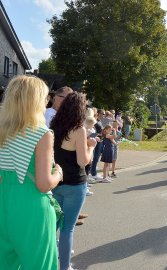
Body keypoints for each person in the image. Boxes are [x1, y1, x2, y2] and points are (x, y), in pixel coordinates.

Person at [0, 75, 62, 270]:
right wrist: (59, 173)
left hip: (3, 202)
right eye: (44, 97)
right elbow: (43, 184)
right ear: (34, 101)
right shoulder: (41, 133)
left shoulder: (2, 131)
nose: (48, 101)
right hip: (31, 207)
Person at [50, 92, 97, 270]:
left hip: (57, 182)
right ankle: (65, 267)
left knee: (53, 226)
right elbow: (82, 161)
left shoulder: (55, 125)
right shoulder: (79, 129)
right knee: (67, 229)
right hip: (75, 185)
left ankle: (51, 261)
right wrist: (91, 147)